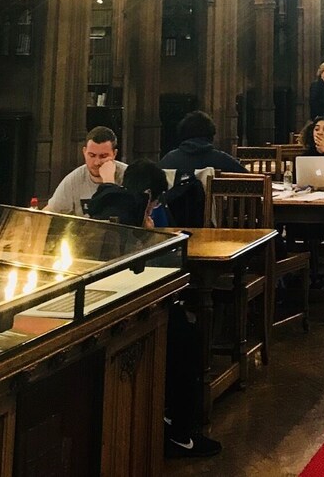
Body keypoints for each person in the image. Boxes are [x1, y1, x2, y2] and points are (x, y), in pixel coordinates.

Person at [85, 159, 222, 459]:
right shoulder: (127, 210)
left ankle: (169, 419)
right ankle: (180, 432)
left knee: (182, 330)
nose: (153, 209)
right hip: (132, 308)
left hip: (112, 301)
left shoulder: (107, 203)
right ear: (148, 195)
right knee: (187, 338)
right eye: (154, 203)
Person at [45, 126, 127, 216]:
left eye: (103, 156)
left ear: (114, 154)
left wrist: (109, 182)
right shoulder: (74, 180)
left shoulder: (128, 175)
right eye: (92, 155)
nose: (96, 162)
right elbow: (49, 212)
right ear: (84, 152)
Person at [159, 111, 247, 176]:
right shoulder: (224, 160)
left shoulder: (168, 160)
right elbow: (248, 181)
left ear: (182, 134)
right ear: (211, 135)